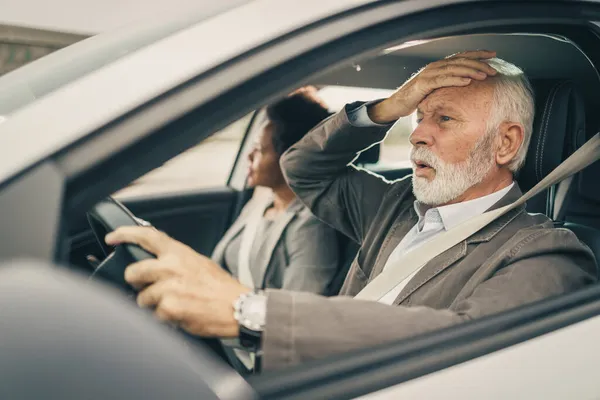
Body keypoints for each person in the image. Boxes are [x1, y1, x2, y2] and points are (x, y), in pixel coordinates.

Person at [106, 51, 596, 371]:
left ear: (505, 144)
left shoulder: (546, 252)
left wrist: (251, 314)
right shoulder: (395, 205)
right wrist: (388, 108)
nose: (420, 133)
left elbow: (463, 342)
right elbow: (303, 169)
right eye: (420, 118)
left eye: (444, 119)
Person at [211, 88, 340, 294]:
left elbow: (295, 311)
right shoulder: (261, 201)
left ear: (290, 158)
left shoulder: (311, 226)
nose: (249, 156)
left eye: (260, 150)